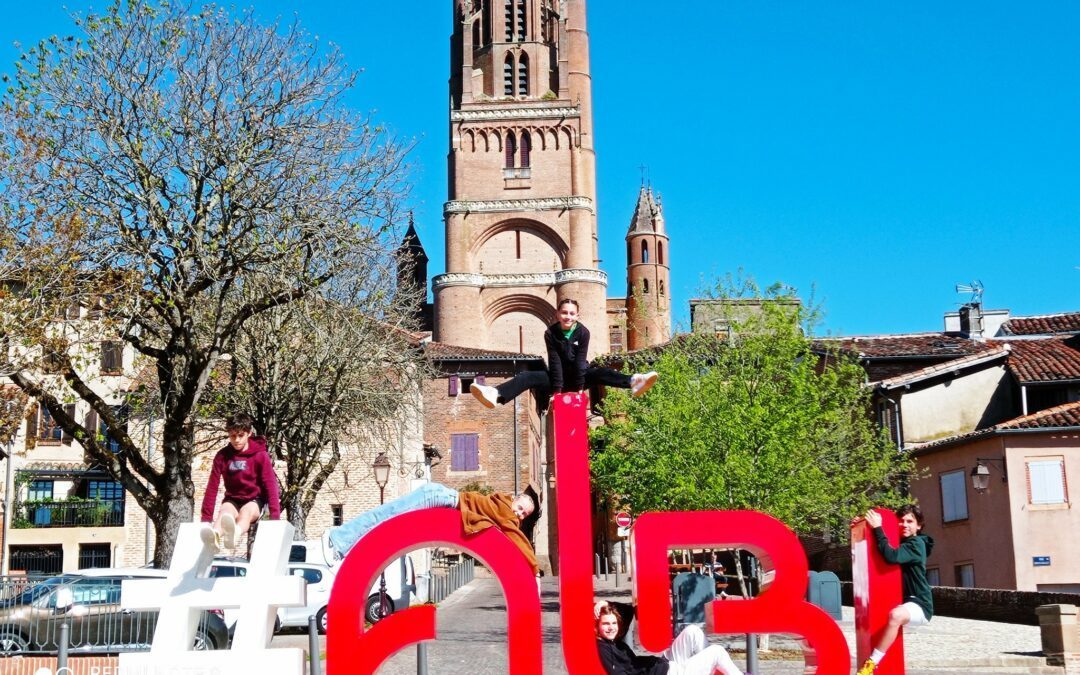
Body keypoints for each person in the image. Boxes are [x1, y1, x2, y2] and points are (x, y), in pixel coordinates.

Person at [321, 482, 542, 577]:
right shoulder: (504, 510)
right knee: (386, 517)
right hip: (438, 498)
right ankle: (338, 539)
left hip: (439, 497)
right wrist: (534, 571)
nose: (519, 515)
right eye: (520, 508)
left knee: (388, 522)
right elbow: (517, 538)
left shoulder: (501, 506)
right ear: (513, 501)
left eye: (524, 515)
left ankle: (344, 551)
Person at [469, 299, 658, 409]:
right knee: (527, 376)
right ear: (558, 314)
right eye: (564, 313)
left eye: (572, 313)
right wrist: (557, 392)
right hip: (556, 378)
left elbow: (579, 362)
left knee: (601, 372)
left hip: (580, 375)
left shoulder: (583, 332)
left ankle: (634, 381)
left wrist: (578, 390)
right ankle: (496, 394)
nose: (568, 316)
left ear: (577, 316)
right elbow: (555, 361)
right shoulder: (550, 333)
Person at [856, 505, 935, 675]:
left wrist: (877, 527)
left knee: (895, 616)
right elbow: (882, 543)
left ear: (918, 526)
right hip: (905, 601)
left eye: (910, 521)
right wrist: (862, 527)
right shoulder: (901, 542)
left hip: (920, 604)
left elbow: (891, 556)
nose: (904, 524)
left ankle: (871, 664)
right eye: (901, 521)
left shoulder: (916, 544)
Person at [199, 413, 281, 551]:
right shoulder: (222, 456)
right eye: (232, 436)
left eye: (240, 435)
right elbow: (212, 487)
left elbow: (270, 485)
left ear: (249, 433)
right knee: (225, 512)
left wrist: (275, 516)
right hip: (232, 499)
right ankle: (215, 536)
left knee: (245, 513)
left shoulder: (260, 455)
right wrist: (206, 518)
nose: (236, 440)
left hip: (255, 500)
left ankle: (235, 533)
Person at [594, 600, 744, 675]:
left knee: (692, 631)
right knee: (717, 651)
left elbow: (627, 611)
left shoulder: (613, 640)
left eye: (614, 623)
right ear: (597, 626)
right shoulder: (601, 648)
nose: (611, 627)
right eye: (606, 624)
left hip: (663, 663)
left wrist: (605, 603)